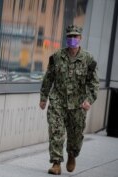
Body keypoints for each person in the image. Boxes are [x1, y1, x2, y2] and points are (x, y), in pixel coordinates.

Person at [39, 25, 99, 175]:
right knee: (55, 131)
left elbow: (94, 83)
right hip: (58, 101)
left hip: (78, 105)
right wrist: (43, 97)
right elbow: (49, 77)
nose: (72, 39)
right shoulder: (57, 56)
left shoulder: (88, 59)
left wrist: (89, 100)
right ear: (66, 38)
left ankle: (72, 154)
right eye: (70, 36)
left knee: (75, 135)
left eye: (75, 36)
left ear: (80, 38)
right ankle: (56, 163)